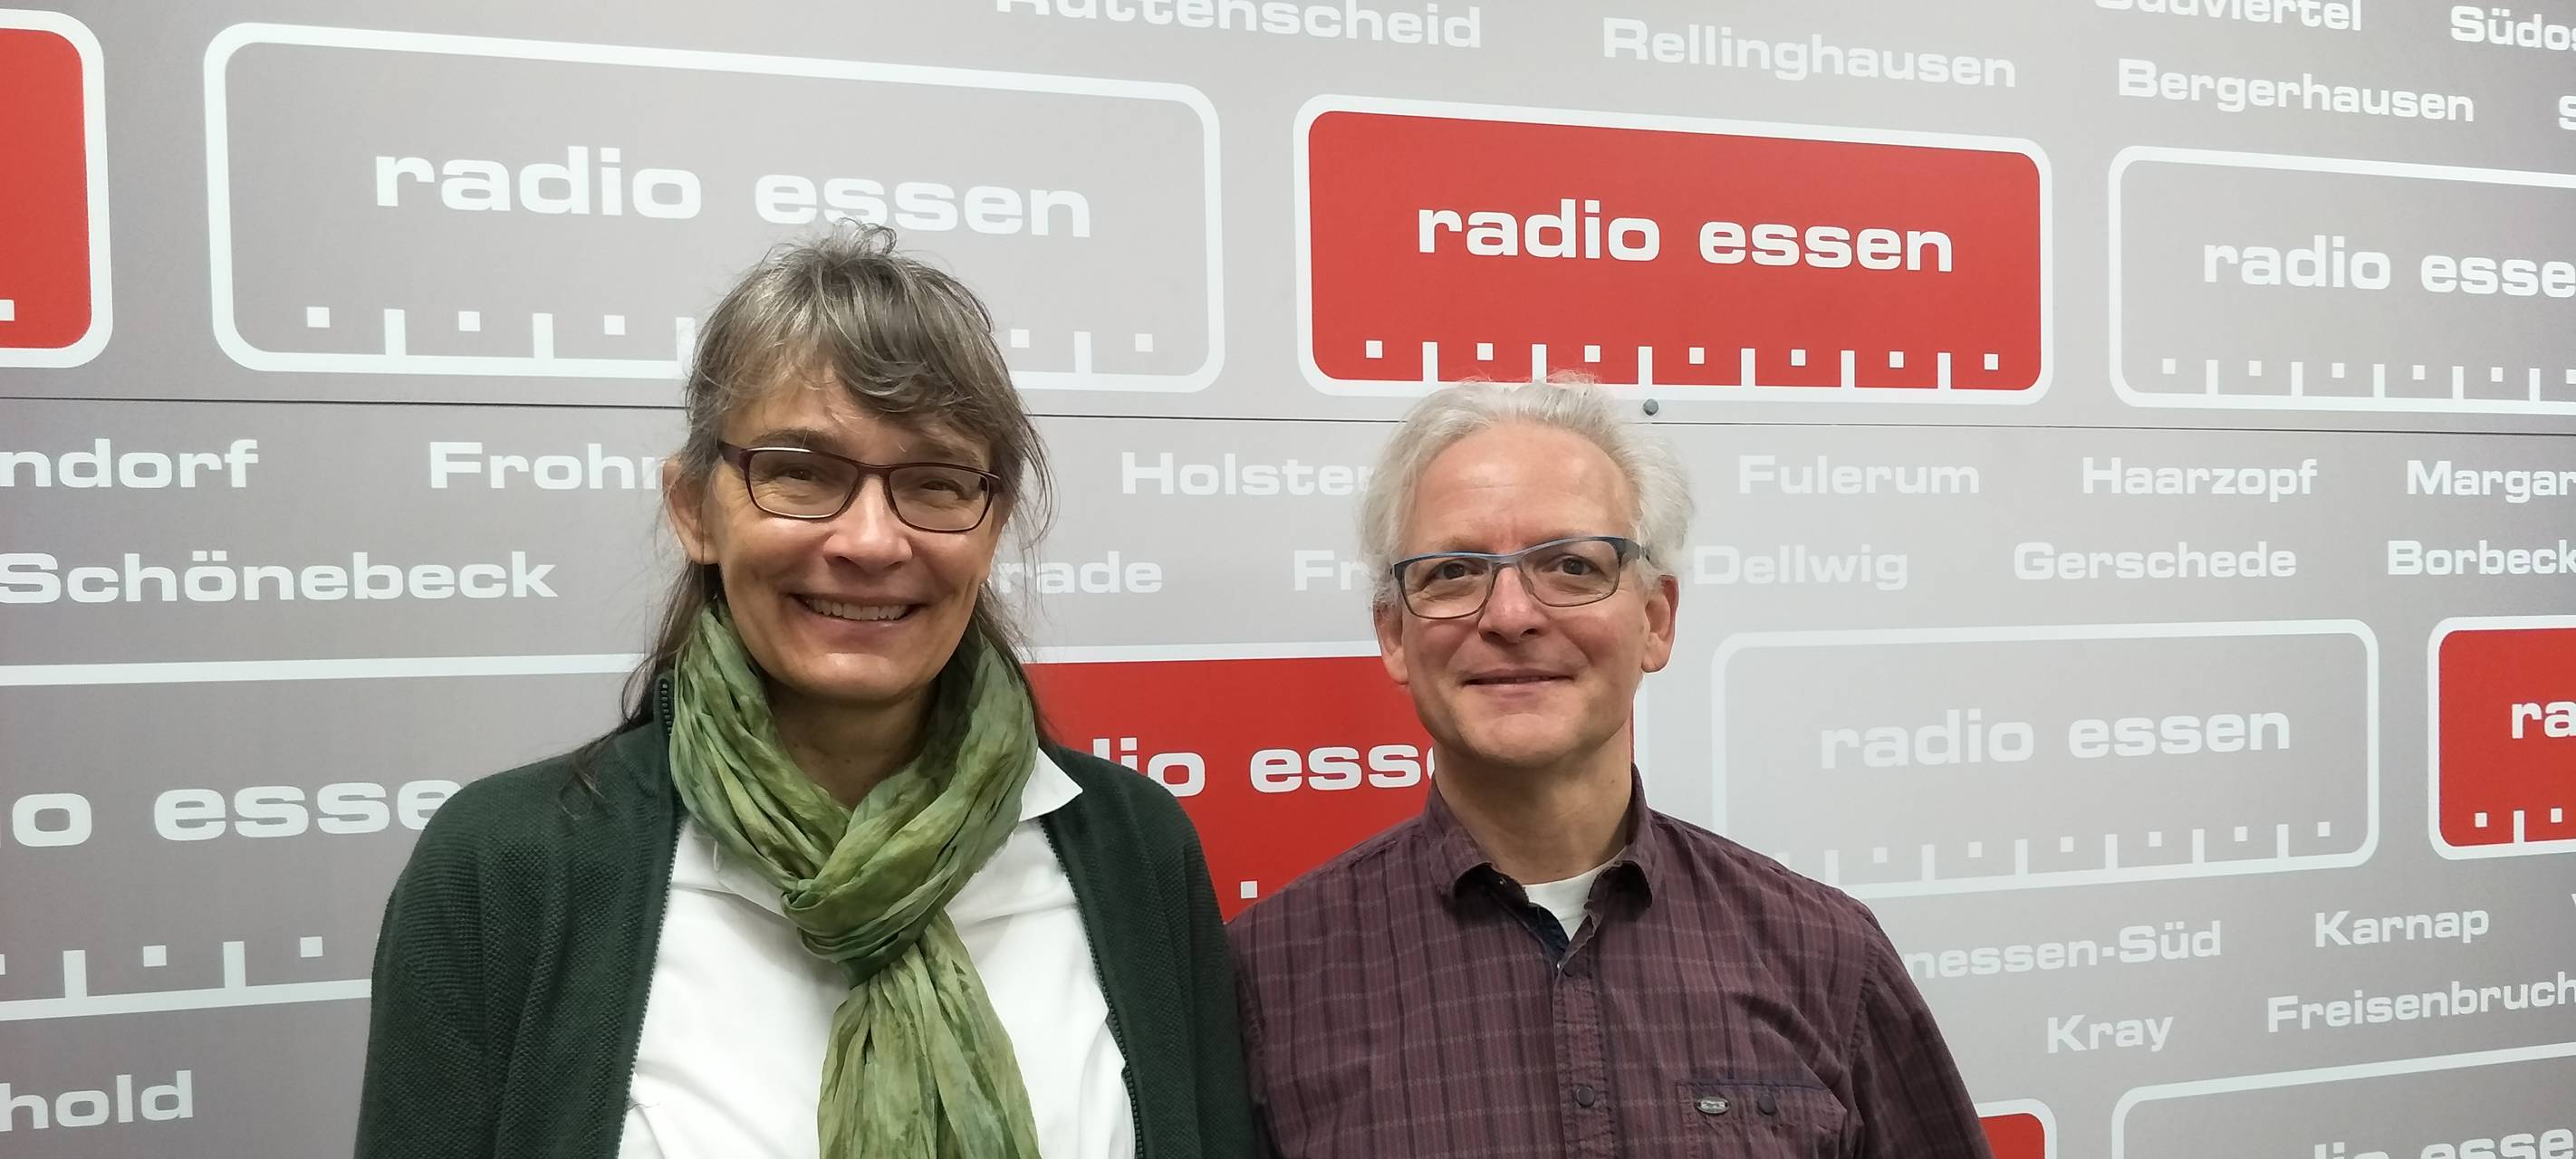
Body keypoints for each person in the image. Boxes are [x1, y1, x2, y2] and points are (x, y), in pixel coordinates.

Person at [356, 225, 1253, 1159]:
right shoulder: (505, 869)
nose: (871, 540)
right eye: (801, 471)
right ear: (695, 508)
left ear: (991, 527)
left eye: (936, 481)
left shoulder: (1132, 848)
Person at [1227, 377, 1991, 1158]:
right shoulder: (1262, 980)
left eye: (1572, 566)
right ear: (1393, 635)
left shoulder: (1826, 954)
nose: (1512, 615)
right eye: (1453, 571)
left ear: (1656, 620)